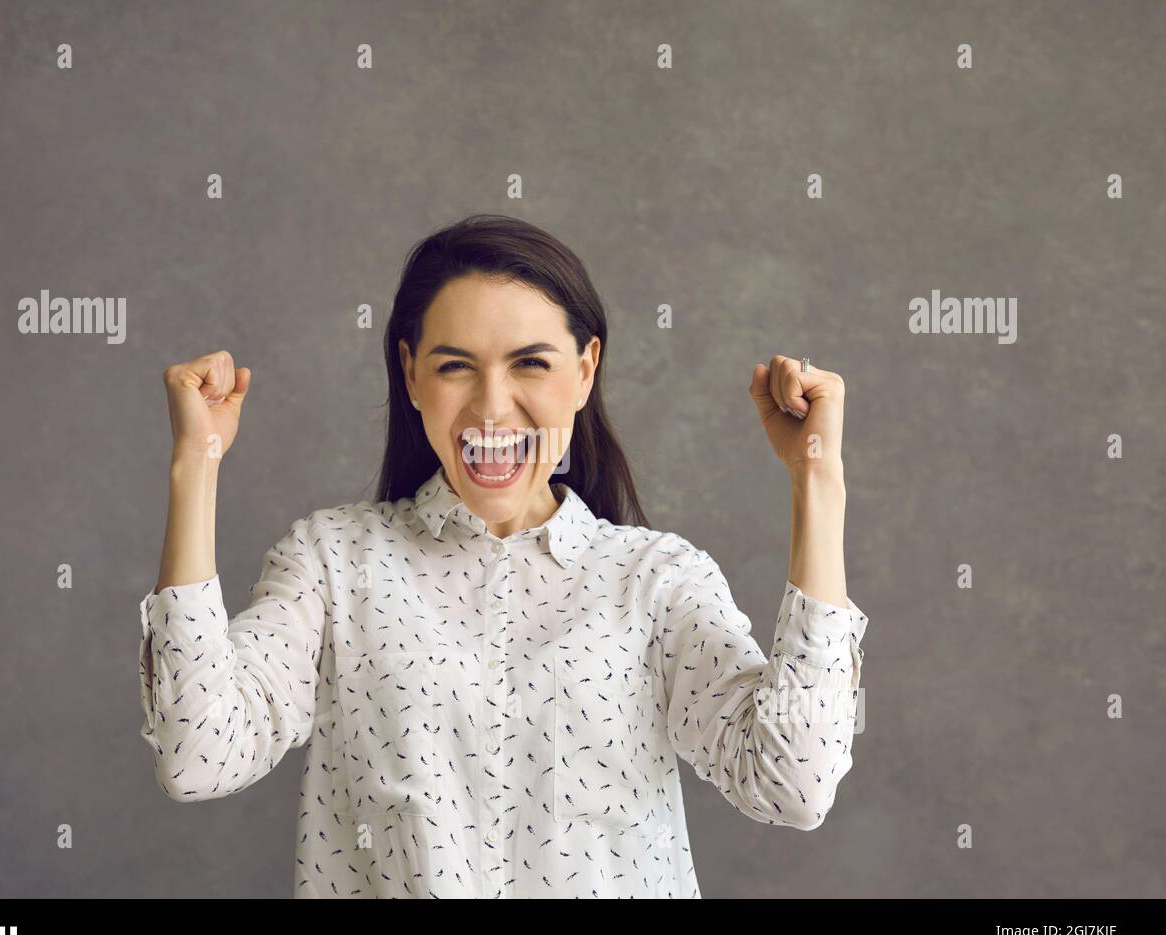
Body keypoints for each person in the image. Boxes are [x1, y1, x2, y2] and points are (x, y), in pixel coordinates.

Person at [137, 213, 868, 898]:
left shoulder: (656, 583)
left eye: (530, 364)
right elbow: (198, 754)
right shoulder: (334, 562)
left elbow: (792, 783)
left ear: (584, 371)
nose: (492, 407)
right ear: (412, 372)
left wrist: (818, 481)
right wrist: (194, 464)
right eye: (455, 366)